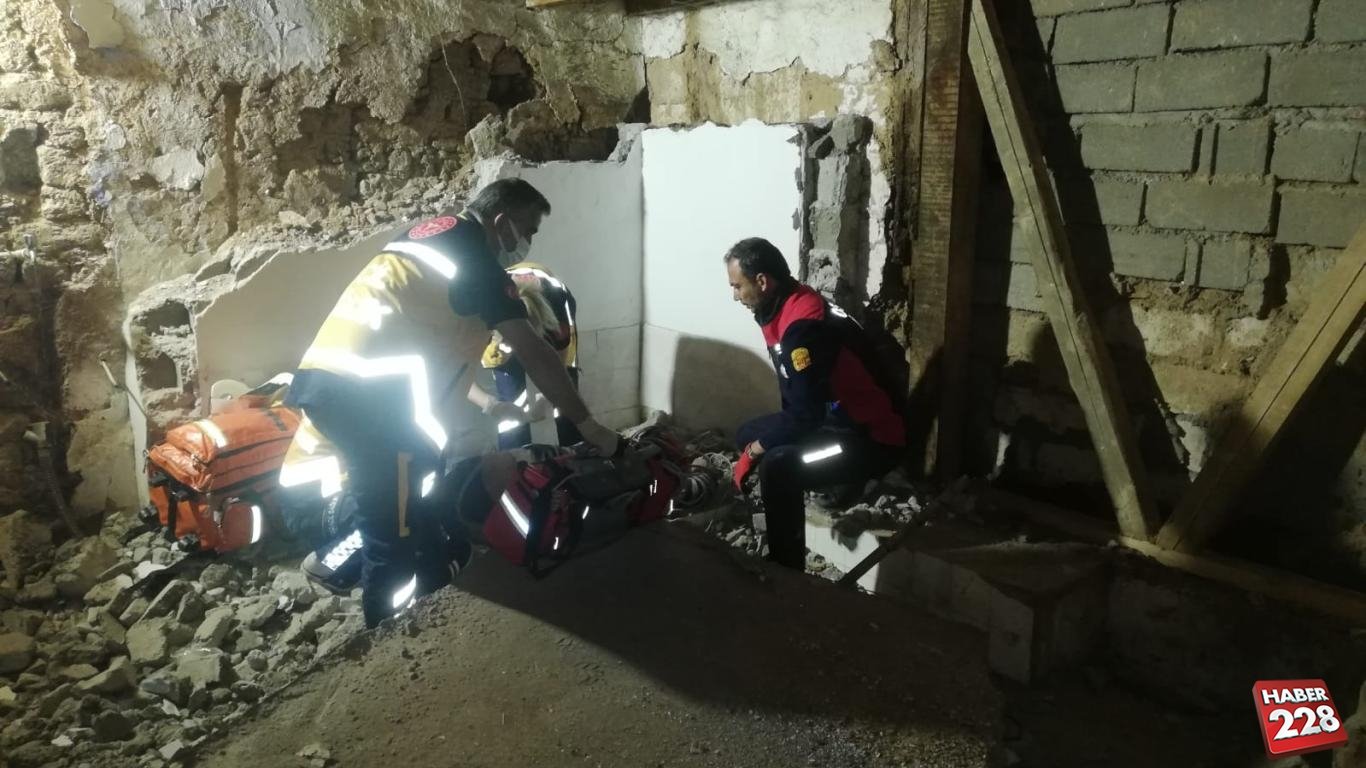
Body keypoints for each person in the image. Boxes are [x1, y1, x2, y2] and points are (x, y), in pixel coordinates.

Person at [276, 178, 620, 627]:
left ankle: (380, 582)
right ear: (502, 222)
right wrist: (589, 425)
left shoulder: (426, 239)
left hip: (335, 384)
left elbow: (436, 352)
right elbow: (533, 351)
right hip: (367, 414)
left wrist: (490, 406)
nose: (527, 242)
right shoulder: (477, 261)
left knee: (440, 535)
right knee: (394, 536)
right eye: (528, 230)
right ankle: (384, 636)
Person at [724, 237, 905, 569]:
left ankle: (786, 569)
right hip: (833, 419)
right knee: (747, 434)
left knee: (777, 466)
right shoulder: (784, 304)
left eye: (737, 286)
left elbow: (805, 416)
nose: (735, 296)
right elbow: (799, 403)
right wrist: (755, 445)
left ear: (762, 282)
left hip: (871, 438)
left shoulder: (802, 330)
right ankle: (833, 481)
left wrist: (754, 454)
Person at [477, 261, 584, 450]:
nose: (510, 347)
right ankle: (515, 450)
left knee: (564, 396)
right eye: (505, 342)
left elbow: (559, 361)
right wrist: (491, 405)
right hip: (496, 317)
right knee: (511, 400)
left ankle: (572, 447)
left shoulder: (558, 307)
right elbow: (456, 376)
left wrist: (548, 395)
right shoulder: (478, 314)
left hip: (548, 318)